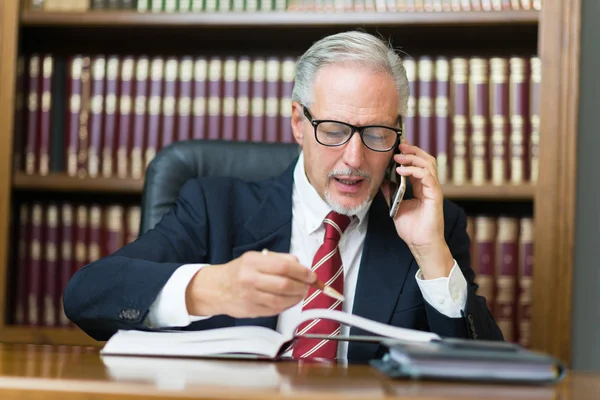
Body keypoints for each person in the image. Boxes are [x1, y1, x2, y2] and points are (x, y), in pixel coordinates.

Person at [63, 31, 503, 363]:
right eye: (332, 130)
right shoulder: (215, 207)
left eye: (376, 134)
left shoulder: (433, 227)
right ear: (298, 122)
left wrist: (432, 254)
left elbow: (479, 373)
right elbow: (86, 296)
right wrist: (207, 289)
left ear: (399, 134)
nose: (353, 158)